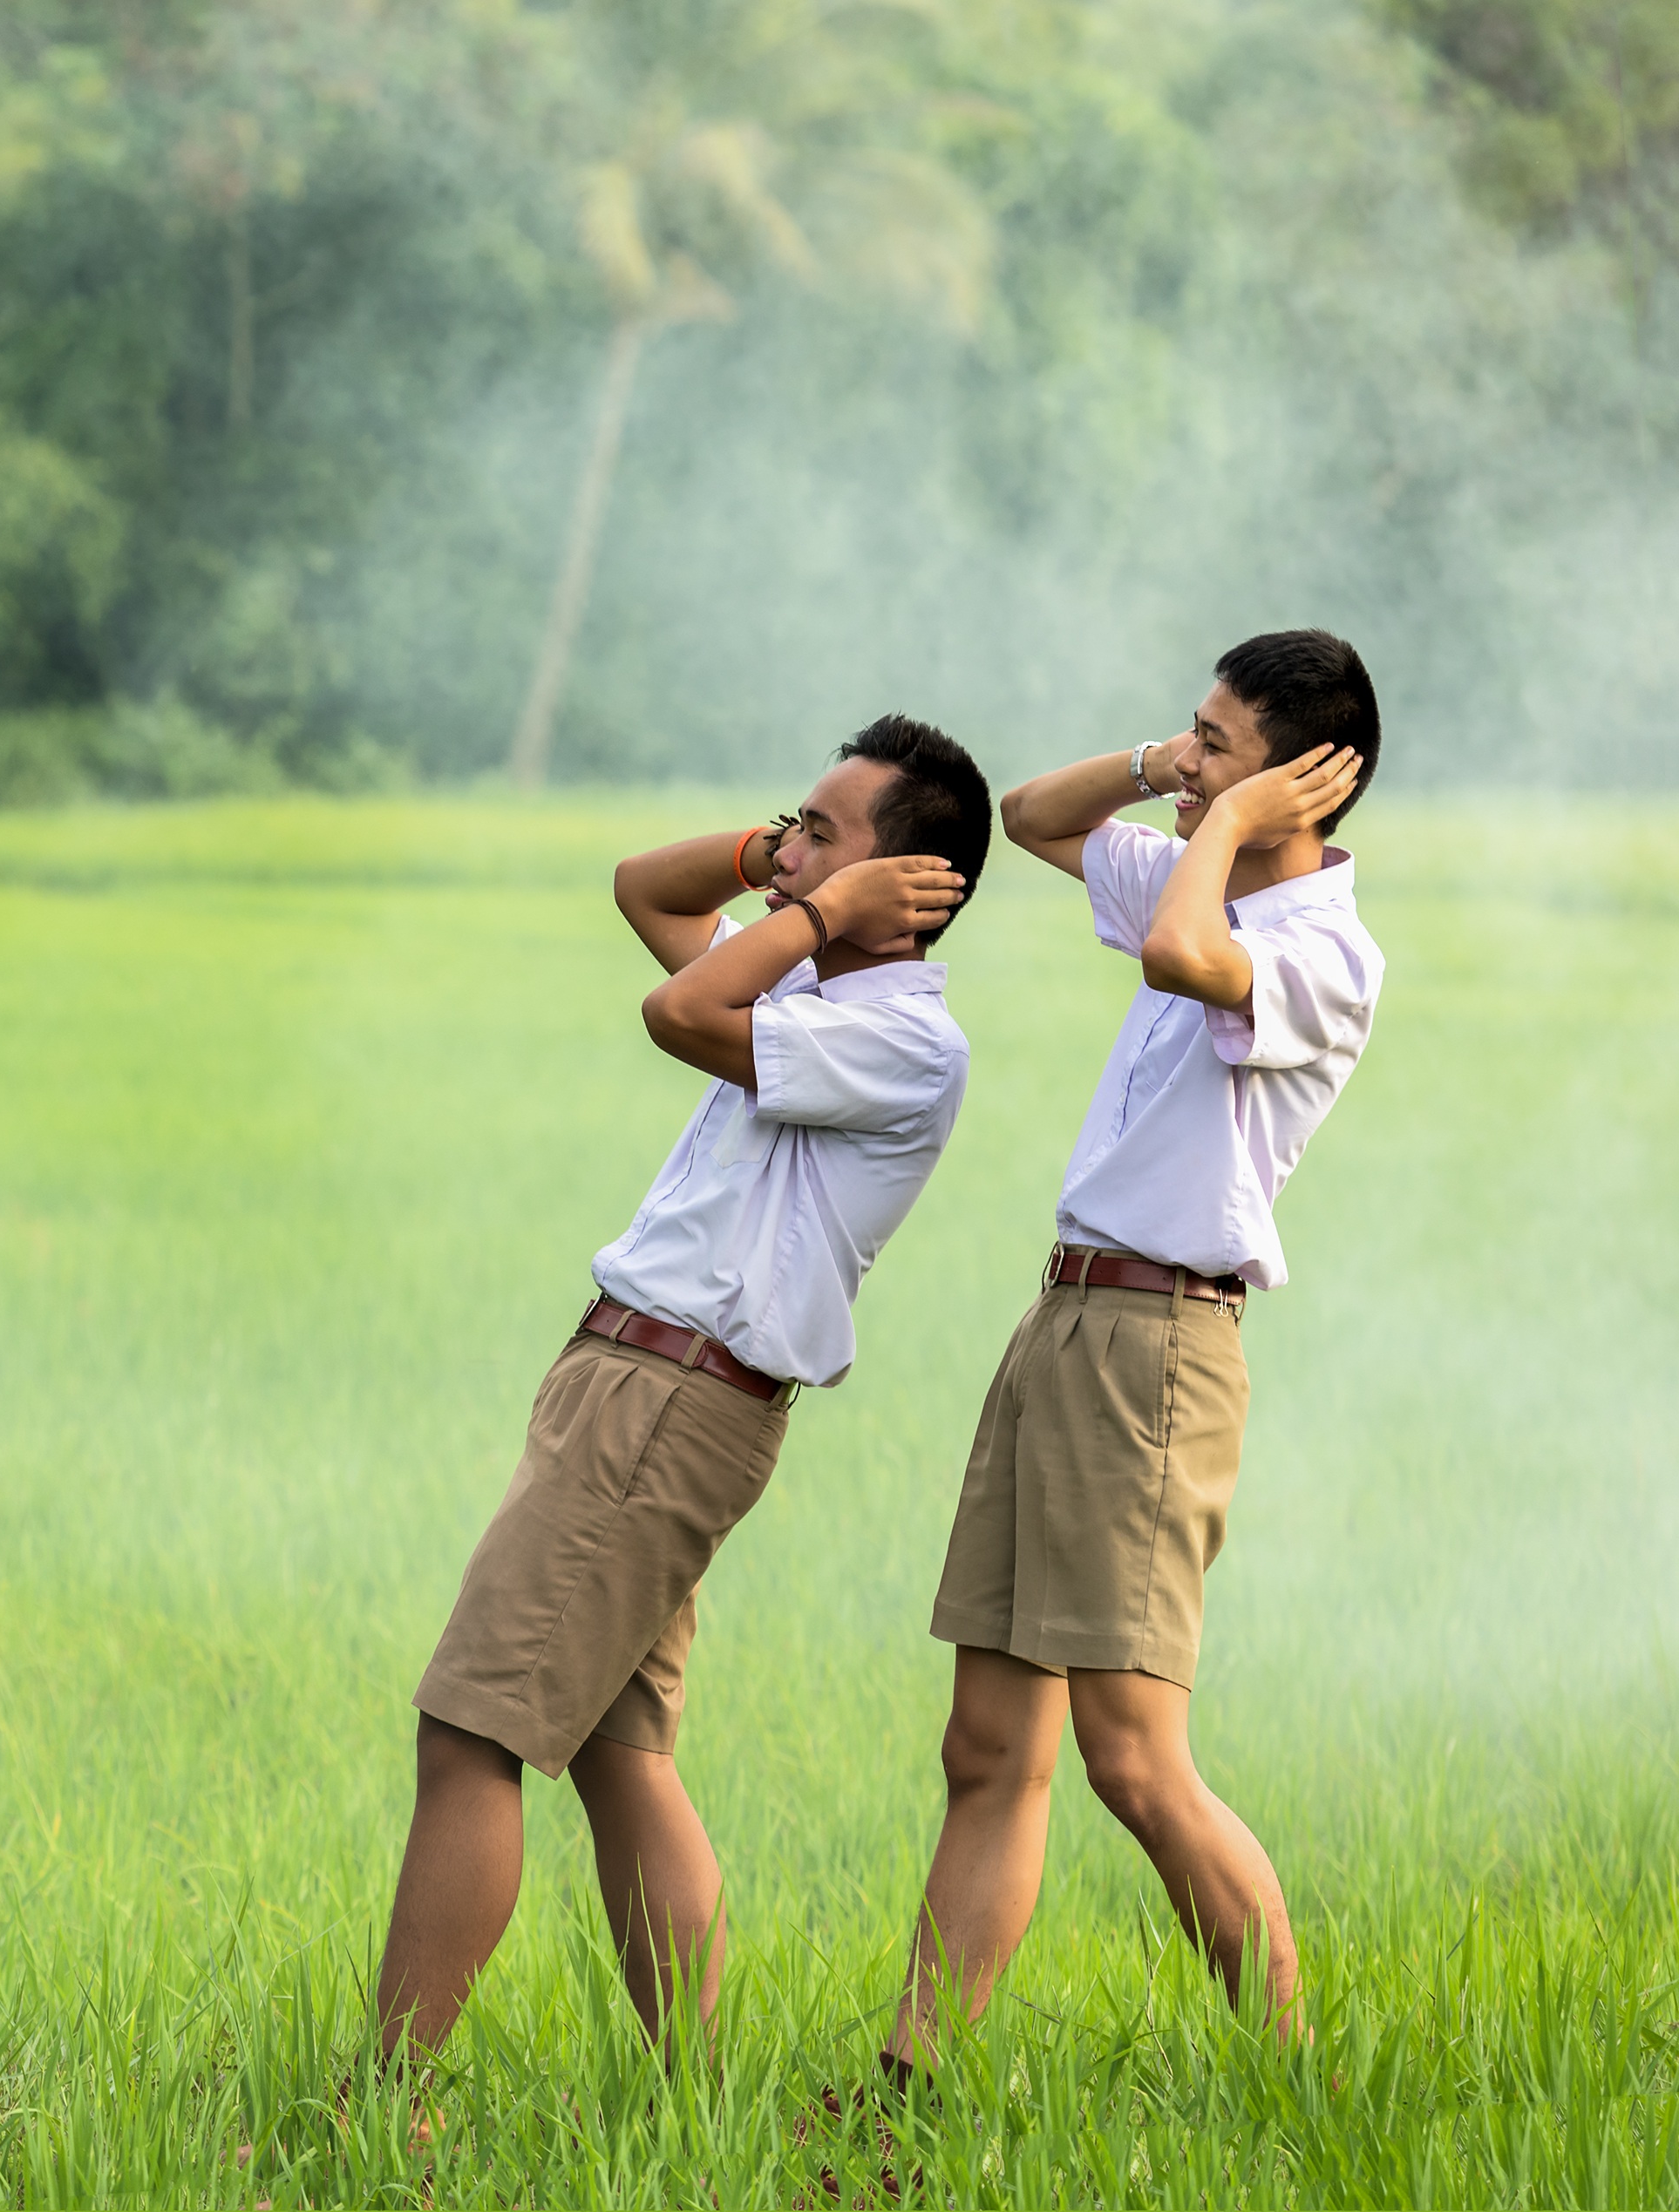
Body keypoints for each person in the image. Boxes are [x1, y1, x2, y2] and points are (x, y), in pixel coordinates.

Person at [373, 717, 989, 2059]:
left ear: (910, 885)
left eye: (826, 830)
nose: (787, 853)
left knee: (470, 1733)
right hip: (637, 1383)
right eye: (793, 823)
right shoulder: (808, 990)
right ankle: (694, 2101)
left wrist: (817, 907)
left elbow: (677, 1010)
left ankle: (380, 2107)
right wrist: (785, 862)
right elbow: (643, 889)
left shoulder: (899, 1039)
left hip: (667, 1399)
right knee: (616, 1752)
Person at [881, 630, 1381, 2073]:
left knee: (1134, 1760)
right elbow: (1033, 818)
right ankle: (911, 2087)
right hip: (1068, 1320)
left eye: (1220, 740)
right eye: (1193, 733)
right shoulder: (1195, 862)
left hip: (1162, 1343)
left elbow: (1181, 952)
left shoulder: (1323, 950)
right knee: (987, 1746)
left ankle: (1294, 2080)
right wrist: (1178, 774)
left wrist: (1227, 820)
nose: (1187, 760)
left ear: (1298, 783)